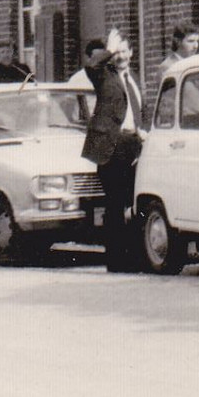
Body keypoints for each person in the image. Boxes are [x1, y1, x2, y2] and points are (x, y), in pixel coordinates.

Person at [81, 32, 146, 272]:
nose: (121, 57)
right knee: (116, 204)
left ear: (132, 52)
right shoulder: (103, 75)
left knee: (133, 202)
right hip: (112, 145)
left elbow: (140, 108)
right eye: (117, 53)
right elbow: (92, 63)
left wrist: (143, 130)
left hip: (134, 143)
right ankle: (117, 260)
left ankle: (135, 255)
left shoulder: (133, 78)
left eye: (125, 51)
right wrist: (109, 48)